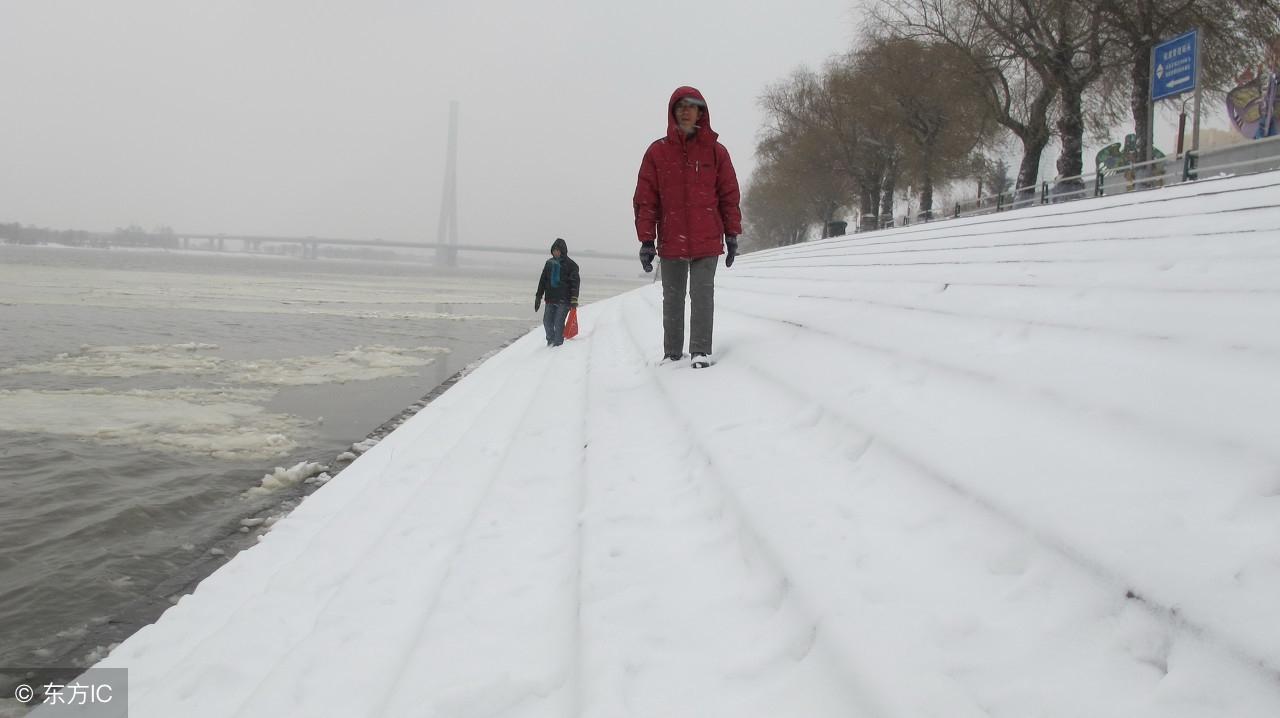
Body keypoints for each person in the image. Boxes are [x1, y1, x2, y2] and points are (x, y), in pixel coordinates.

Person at [632, 86, 741, 369]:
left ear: (701, 112)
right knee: (673, 297)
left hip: (707, 237)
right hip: (671, 239)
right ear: (672, 112)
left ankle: (701, 351)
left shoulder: (716, 152)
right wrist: (646, 240)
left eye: (691, 106)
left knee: (702, 294)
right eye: (680, 106)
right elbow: (646, 200)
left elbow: (729, 196)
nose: (685, 110)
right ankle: (671, 353)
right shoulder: (657, 152)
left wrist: (732, 234)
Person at [534, 237, 580, 347]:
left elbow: (575, 283)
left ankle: (558, 345)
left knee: (558, 323)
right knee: (547, 322)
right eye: (554, 250)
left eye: (558, 250)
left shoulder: (571, 265)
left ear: (563, 251)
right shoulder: (549, 264)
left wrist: (574, 300)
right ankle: (550, 342)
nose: (556, 252)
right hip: (550, 299)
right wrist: (538, 296)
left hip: (564, 300)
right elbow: (543, 281)